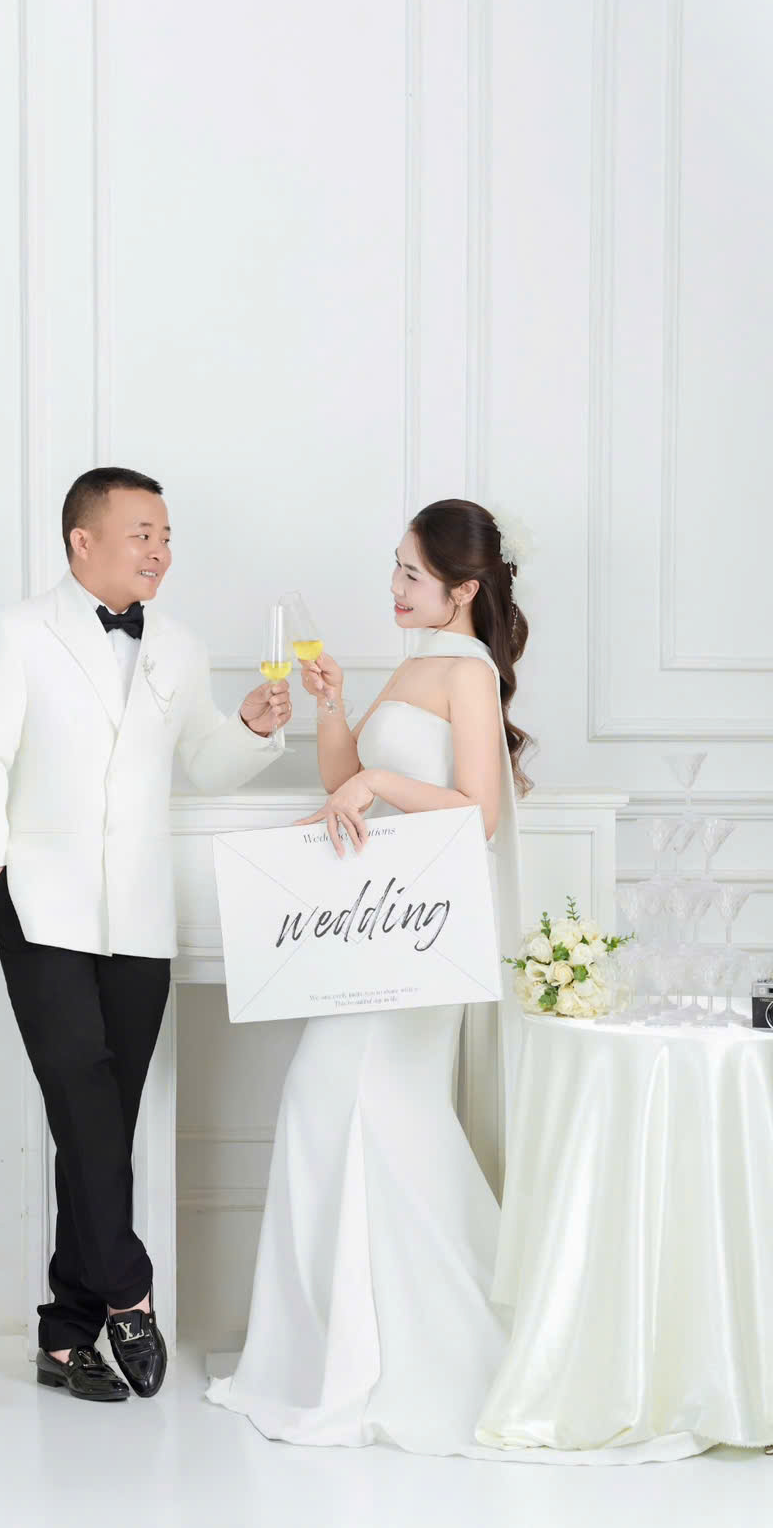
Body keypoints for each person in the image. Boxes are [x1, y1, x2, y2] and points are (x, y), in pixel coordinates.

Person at [0, 466, 291, 1403]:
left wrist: (252, 727)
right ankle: (130, 1293)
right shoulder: (18, 632)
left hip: (139, 915)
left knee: (101, 1120)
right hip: (39, 904)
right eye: (143, 533)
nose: (160, 552)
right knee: (82, 1095)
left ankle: (65, 1337)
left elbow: (207, 761)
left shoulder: (179, 645)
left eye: (167, 536)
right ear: (82, 539)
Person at [205, 498, 532, 1452]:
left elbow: (477, 814)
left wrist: (378, 782)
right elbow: (341, 781)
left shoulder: (467, 671)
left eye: (411, 574)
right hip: (381, 930)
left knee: (356, 1106)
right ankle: (341, 1353)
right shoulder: (417, 663)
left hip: (421, 937)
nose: (393, 586)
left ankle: (390, 1361)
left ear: (462, 590)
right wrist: (334, 707)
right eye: (394, 566)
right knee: (359, 1116)